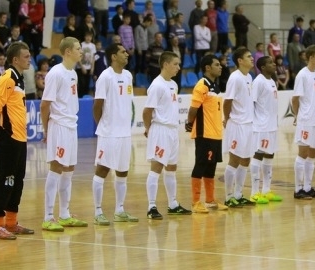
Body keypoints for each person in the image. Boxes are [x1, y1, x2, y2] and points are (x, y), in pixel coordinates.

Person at [40, 37, 88, 232]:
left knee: (69, 168)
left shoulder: (73, 73)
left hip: (71, 125)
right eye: (78, 49)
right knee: (56, 167)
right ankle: (48, 216)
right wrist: (46, 129)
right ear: (68, 51)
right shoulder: (55, 73)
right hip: (58, 125)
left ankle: (65, 214)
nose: (81, 52)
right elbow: (45, 104)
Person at [0, 42, 34, 240]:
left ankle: (11, 222)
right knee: (5, 179)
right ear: (15, 59)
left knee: (17, 180)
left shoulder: (19, 79)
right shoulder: (7, 78)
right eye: (26, 56)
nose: (29, 58)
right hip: (8, 137)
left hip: (20, 137)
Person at [92, 43, 138, 225]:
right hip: (109, 134)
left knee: (123, 171)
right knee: (102, 170)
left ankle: (120, 210)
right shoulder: (105, 76)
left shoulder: (128, 76)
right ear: (113, 56)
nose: (126, 54)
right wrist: (103, 125)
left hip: (124, 133)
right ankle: (97, 211)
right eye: (122, 52)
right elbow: (97, 105)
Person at [144, 51, 192, 220]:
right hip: (160, 130)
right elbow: (147, 110)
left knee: (171, 168)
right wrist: (149, 129)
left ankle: (173, 204)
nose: (179, 68)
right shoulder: (157, 85)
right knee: (156, 168)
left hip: (172, 130)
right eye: (176, 64)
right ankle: (151, 207)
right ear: (165, 64)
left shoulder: (173, 84)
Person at [186, 54, 228, 213]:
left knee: (211, 167)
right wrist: (190, 124)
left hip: (216, 133)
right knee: (201, 165)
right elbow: (193, 109)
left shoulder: (215, 86)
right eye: (217, 64)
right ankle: (196, 201)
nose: (221, 66)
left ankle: (210, 200)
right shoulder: (201, 85)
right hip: (205, 133)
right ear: (208, 68)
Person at [222, 47, 255, 208]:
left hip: (248, 124)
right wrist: (227, 119)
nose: (252, 58)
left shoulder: (249, 77)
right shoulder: (235, 78)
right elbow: (227, 102)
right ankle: (228, 197)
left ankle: (239, 194)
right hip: (237, 124)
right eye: (248, 56)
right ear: (240, 61)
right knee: (234, 159)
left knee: (246, 159)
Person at [291, 45, 315, 200]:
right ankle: (298, 189)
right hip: (305, 120)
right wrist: (297, 116)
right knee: (303, 153)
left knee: (313, 153)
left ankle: (308, 187)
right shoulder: (302, 75)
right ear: (311, 57)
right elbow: (295, 98)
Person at [249, 56, 283, 204]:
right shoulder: (258, 82)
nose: (274, 64)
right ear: (262, 67)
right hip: (261, 126)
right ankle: (254, 192)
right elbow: (251, 103)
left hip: (272, 125)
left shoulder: (271, 81)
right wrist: (253, 123)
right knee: (258, 154)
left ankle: (266, 190)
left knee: (270, 155)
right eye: (270, 62)